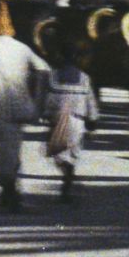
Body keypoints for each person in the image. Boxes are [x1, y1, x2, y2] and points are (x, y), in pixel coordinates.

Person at [0, 4, 50, 210]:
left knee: (4, 149)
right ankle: (12, 189)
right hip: (23, 104)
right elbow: (44, 69)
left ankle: (9, 191)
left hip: (1, 106)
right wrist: (38, 97)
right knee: (15, 146)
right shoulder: (21, 47)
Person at [40, 44, 100, 201]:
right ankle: (68, 181)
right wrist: (93, 120)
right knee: (72, 154)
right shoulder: (85, 78)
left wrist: (46, 115)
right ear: (76, 58)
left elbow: (49, 101)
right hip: (77, 122)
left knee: (58, 154)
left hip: (57, 121)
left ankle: (67, 180)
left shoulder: (53, 77)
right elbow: (90, 102)